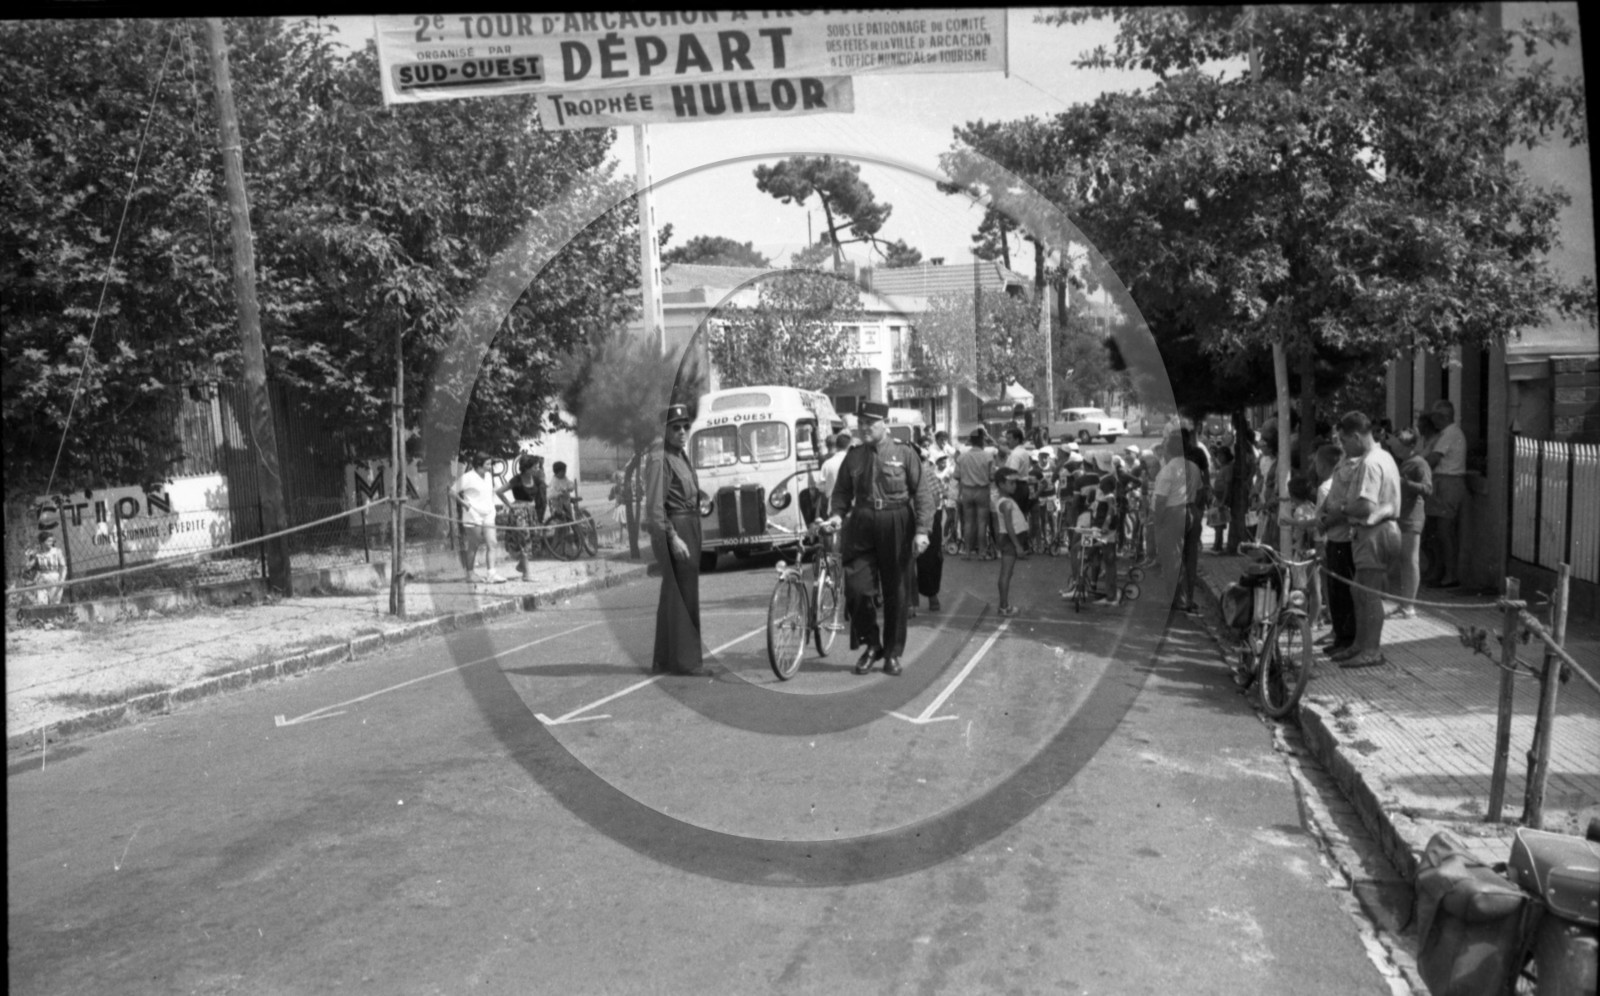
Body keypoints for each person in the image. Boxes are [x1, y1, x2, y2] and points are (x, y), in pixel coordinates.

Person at [826, 400, 937, 677]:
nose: (863, 428)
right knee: (856, 587)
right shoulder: (853, 456)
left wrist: (923, 531)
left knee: (896, 592)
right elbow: (841, 492)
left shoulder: (904, 452)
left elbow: (922, 494)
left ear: (884, 424)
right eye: (860, 423)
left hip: (896, 520)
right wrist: (837, 515)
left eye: (869, 424)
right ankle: (871, 645)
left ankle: (892, 653)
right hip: (862, 521)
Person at [1326, 411, 1402, 668]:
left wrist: (1344, 508)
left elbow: (1366, 506)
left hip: (1374, 532)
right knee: (1358, 590)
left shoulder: (1370, 463)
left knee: (1368, 594)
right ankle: (1360, 644)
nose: (1344, 448)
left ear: (1356, 436)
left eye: (1345, 441)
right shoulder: (1384, 457)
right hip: (1379, 531)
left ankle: (1371, 650)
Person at [645, 405, 708, 676]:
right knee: (682, 595)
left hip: (689, 523)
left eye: (685, 427)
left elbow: (683, 489)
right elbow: (656, 505)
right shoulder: (660, 458)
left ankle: (665, 660)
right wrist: (673, 538)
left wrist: (701, 496)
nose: (682, 432)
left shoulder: (679, 455)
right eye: (676, 427)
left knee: (675, 594)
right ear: (665, 430)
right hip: (675, 529)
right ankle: (684, 662)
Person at [1152, 432, 1205, 614]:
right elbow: (1200, 491)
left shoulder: (1168, 470)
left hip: (1174, 512)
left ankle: (1179, 599)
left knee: (1173, 557)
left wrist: (1157, 520)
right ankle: (1188, 597)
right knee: (1191, 557)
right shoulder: (1193, 467)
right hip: (1192, 510)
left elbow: (1160, 500)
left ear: (1169, 449)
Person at [1388, 428, 1433, 619]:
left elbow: (1427, 489)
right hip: (1401, 515)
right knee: (1404, 561)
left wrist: (1405, 483)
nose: (1396, 449)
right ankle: (1405, 603)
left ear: (1410, 446)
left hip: (1412, 517)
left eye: (1400, 445)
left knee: (1411, 560)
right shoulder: (1404, 462)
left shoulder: (1419, 464)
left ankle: (1410, 606)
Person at [1423, 399, 1467, 589]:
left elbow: (1433, 459)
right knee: (1434, 532)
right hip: (1441, 482)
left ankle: (1450, 574)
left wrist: (1417, 467)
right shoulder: (1443, 434)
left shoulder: (1450, 434)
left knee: (1444, 531)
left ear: (1443, 417)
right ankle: (1438, 571)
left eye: (1435, 415)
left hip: (1448, 482)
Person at [451, 453, 507, 584]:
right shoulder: (468, 477)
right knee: (474, 545)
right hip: (473, 514)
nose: (490, 467)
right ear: (479, 465)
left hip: (488, 513)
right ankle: (470, 574)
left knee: (492, 543)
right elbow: (452, 492)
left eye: (490, 464)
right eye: (487, 464)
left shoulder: (488, 476)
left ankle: (491, 574)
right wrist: (466, 505)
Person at [496, 454, 545, 581]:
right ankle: (527, 575)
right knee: (525, 538)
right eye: (535, 467)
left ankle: (522, 564)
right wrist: (509, 505)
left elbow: (545, 492)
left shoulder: (536, 480)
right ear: (527, 467)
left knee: (533, 539)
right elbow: (499, 491)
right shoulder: (517, 480)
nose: (537, 469)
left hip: (531, 512)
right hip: (518, 513)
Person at [954, 428, 996, 560]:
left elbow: (956, 476)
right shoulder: (988, 456)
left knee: (968, 523)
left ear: (971, 441)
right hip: (982, 490)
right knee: (982, 522)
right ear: (982, 440)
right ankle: (982, 552)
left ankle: (967, 552)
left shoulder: (962, 457)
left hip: (966, 490)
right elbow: (992, 477)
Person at [993, 467, 1029, 616]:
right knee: (1006, 573)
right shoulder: (1006, 503)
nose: (1014, 485)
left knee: (1007, 573)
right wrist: (1017, 546)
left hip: (1007, 540)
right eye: (1011, 483)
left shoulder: (1004, 500)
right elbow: (1008, 526)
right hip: (1010, 540)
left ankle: (1004, 605)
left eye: (1015, 482)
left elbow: (997, 524)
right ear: (1001, 484)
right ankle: (1004, 606)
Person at [23, 530, 67, 605]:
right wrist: (29, 557)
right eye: (48, 541)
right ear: (42, 542)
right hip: (42, 579)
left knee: (55, 603)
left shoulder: (57, 552)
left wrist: (62, 579)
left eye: (52, 541)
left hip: (55, 579)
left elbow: (63, 567)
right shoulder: (37, 554)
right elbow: (28, 567)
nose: (51, 543)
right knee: (41, 603)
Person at [819, 431, 851, 520]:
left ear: (836, 446)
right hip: (851, 506)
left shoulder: (827, 463)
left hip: (833, 505)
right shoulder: (854, 462)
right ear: (849, 446)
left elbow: (820, 486)